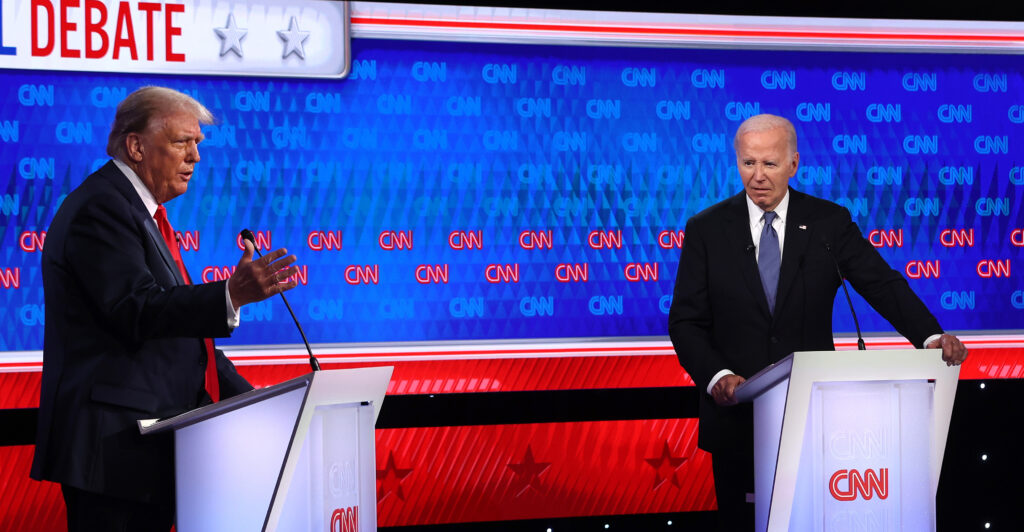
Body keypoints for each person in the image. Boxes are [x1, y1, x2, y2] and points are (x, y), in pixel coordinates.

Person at [667, 113, 968, 530]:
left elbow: (881, 284)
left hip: (815, 415)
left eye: (770, 164)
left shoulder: (828, 223)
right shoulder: (706, 229)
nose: (757, 176)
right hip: (736, 420)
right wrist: (717, 375)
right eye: (748, 163)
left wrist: (930, 335)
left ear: (794, 164)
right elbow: (685, 322)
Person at [30, 86, 300, 531]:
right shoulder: (101, 209)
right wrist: (229, 295)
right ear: (136, 146)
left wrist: (258, 403)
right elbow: (136, 309)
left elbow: (185, 341)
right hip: (112, 455)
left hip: (143, 455)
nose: (195, 156)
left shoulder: (139, 213)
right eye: (181, 142)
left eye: (198, 144)